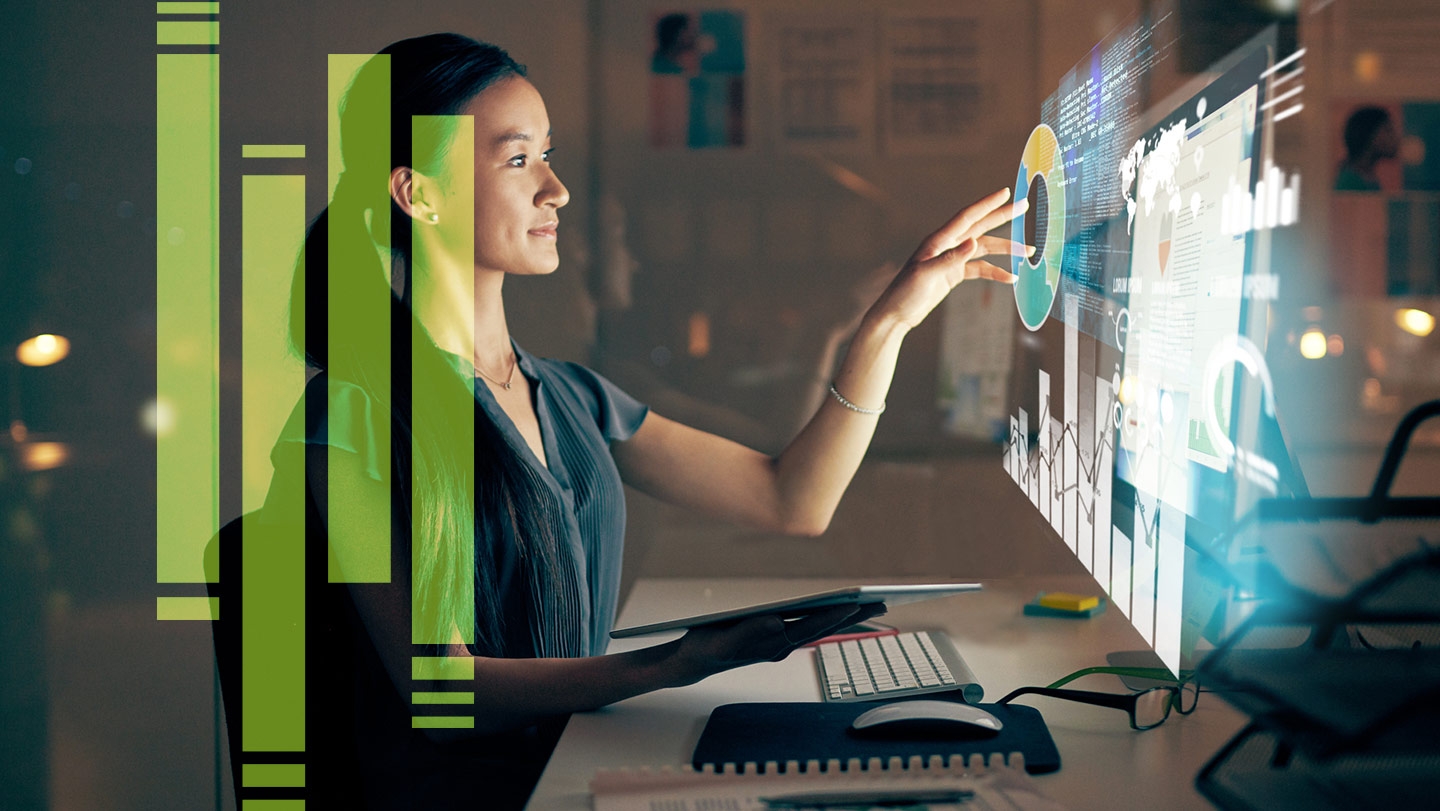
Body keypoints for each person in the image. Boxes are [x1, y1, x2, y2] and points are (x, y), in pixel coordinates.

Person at [267, 32, 1029, 808]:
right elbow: (440, 688)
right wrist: (675, 663)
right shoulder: (348, 416)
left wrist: (887, 324)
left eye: (549, 154)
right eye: (518, 158)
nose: (557, 189)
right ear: (418, 193)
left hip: (582, 760)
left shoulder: (572, 396)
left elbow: (792, 498)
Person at [1336, 106, 1399, 191]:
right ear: (1370, 135)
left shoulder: (1368, 178)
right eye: (1388, 130)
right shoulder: (1349, 183)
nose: (1396, 138)